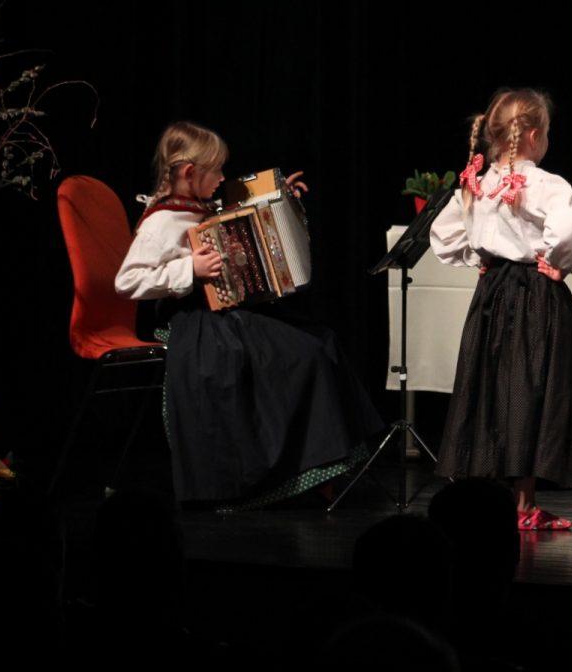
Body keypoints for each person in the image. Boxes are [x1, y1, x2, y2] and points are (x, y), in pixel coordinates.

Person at [114, 120, 380, 507]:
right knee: (300, 355)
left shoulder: (198, 207)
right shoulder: (162, 221)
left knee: (321, 340)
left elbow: (245, 215)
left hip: (225, 314)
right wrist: (190, 269)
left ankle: (328, 461)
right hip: (193, 321)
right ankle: (298, 471)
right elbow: (127, 282)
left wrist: (282, 197)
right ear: (188, 172)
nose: (223, 178)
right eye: (216, 170)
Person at [429, 89, 572, 531]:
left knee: (493, 386)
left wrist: (480, 257)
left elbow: (444, 231)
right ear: (535, 136)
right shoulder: (546, 185)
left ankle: (493, 501)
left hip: (493, 294)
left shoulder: (478, 183)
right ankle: (523, 504)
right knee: (531, 390)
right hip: (535, 294)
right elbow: (569, 227)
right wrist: (557, 261)